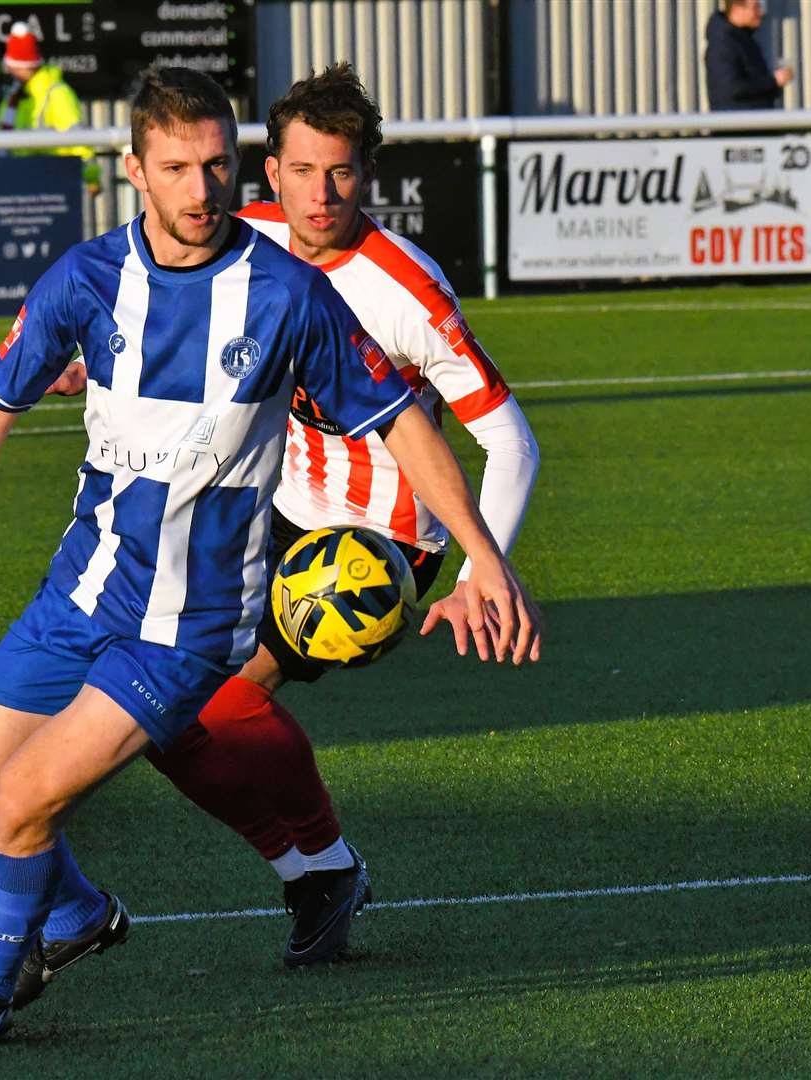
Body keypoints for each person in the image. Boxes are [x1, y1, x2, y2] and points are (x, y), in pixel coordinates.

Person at [0, 65, 537, 1053]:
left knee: (26, 798)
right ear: (135, 172)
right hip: (77, 592)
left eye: (215, 164)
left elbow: (405, 426)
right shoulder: (84, 280)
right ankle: (77, 919)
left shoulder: (286, 294)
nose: (201, 189)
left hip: (189, 619)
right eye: (177, 168)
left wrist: (480, 559)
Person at [138, 63, 542, 969]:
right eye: (303, 171)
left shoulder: (406, 287)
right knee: (146, 711)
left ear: (368, 174)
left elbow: (511, 442)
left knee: (223, 694)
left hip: (377, 545)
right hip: (274, 508)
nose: (323, 196)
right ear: (270, 171)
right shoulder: (245, 240)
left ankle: (321, 864)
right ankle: (315, 867)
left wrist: (484, 573)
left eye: (344, 173)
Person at [0, 21, 101, 195]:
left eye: (11, 65)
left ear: (19, 65)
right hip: (17, 184)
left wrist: (91, 179)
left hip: (55, 183)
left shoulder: (57, 92)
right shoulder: (13, 96)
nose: (7, 69)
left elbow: (79, 140)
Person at [704, 0, 792, 111]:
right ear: (737, 9)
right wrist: (773, 81)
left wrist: (774, 85)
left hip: (754, 121)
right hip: (737, 124)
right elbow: (730, 88)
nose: (760, 13)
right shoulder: (723, 43)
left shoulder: (744, 39)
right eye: (755, 7)